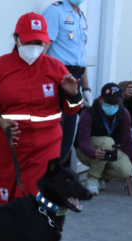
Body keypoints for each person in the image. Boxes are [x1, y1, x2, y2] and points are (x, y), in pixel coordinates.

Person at [0, 12, 82, 241]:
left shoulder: (56, 68)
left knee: (37, 205)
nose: (35, 48)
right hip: (7, 145)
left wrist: (73, 94)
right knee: (4, 202)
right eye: (29, 42)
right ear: (16, 38)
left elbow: (73, 109)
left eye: (39, 43)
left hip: (46, 147)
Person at [42, 0, 92, 166]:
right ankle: (44, 179)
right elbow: (43, 48)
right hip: (58, 78)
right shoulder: (55, 12)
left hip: (75, 79)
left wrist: (86, 88)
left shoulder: (81, 16)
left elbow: (81, 57)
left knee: (67, 134)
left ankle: (54, 178)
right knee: (54, 131)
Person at [74, 83, 132, 196]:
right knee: (107, 142)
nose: (112, 106)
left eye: (115, 103)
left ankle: (99, 177)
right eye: (108, 102)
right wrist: (94, 153)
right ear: (100, 99)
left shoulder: (123, 113)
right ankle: (92, 178)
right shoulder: (88, 111)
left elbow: (127, 142)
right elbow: (82, 143)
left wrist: (128, 176)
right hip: (86, 152)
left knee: (126, 169)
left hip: (110, 152)